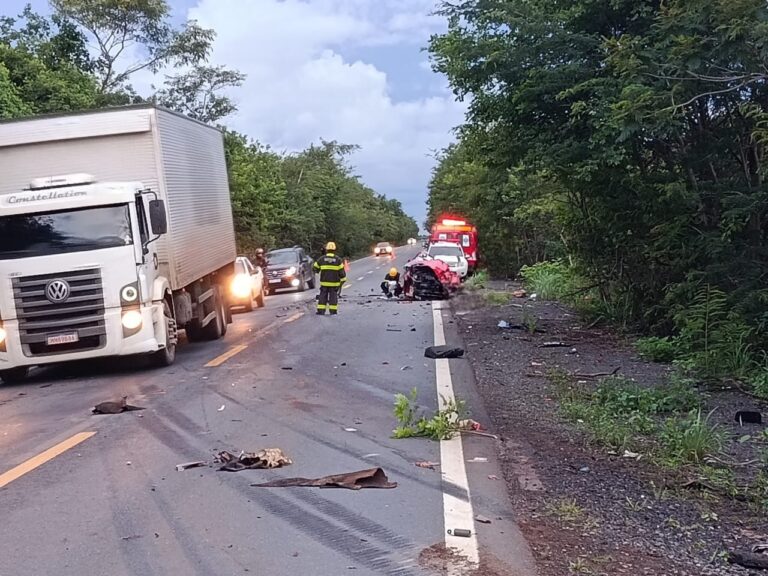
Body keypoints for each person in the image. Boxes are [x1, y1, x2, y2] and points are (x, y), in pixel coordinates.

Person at [313, 241, 346, 315]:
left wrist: (318, 270)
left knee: (322, 296)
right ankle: (333, 311)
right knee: (333, 297)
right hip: (334, 284)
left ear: (326, 250)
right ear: (334, 250)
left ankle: (321, 311)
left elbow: (315, 268)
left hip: (324, 283)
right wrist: (341, 282)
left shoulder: (321, 259)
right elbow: (342, 274)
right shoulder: (338, 260)